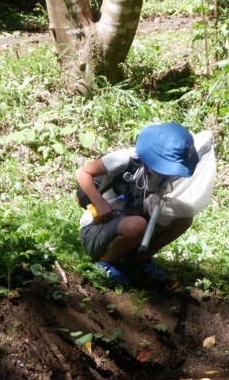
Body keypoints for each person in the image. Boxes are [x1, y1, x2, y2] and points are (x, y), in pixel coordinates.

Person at [75, 122, 199, 285]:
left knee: (184, 218)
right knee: (138, 225)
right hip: (98, 229)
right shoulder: (126, 159)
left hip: (129, 225)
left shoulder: (166, 175)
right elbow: (82, 172)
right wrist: (99, 202)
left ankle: (138, 260)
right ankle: (105, 262)